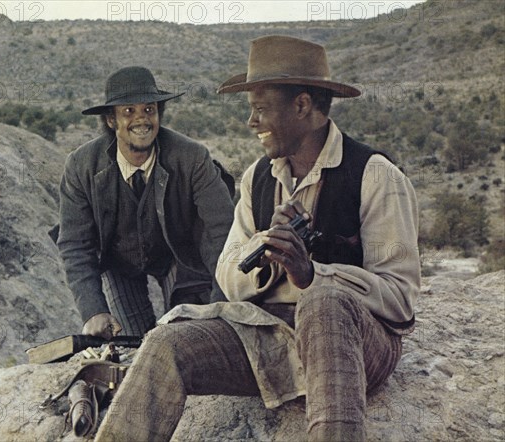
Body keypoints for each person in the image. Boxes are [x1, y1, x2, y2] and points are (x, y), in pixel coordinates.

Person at [94, 36, 420, 442]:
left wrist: (311, 275)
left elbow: (400, 297)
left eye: (260, 109)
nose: (252, 123)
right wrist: (265, 254)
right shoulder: (258, 178)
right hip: (274, 337)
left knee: (324, 302)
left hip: (354, 345)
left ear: (302, 106)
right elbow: (229, 272)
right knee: (165, 342)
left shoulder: (375, 175)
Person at [55, 66, 235, 339]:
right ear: (111, 120)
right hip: (119, 263)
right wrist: (93, 310)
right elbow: (75, 243)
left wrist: (223, 300)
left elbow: (222, 230)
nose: (141, 119)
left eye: (149, 110)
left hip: (181, 257)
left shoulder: (193, 157)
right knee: (131, 345)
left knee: (188, 337)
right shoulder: (82, 166)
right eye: (128, 111)